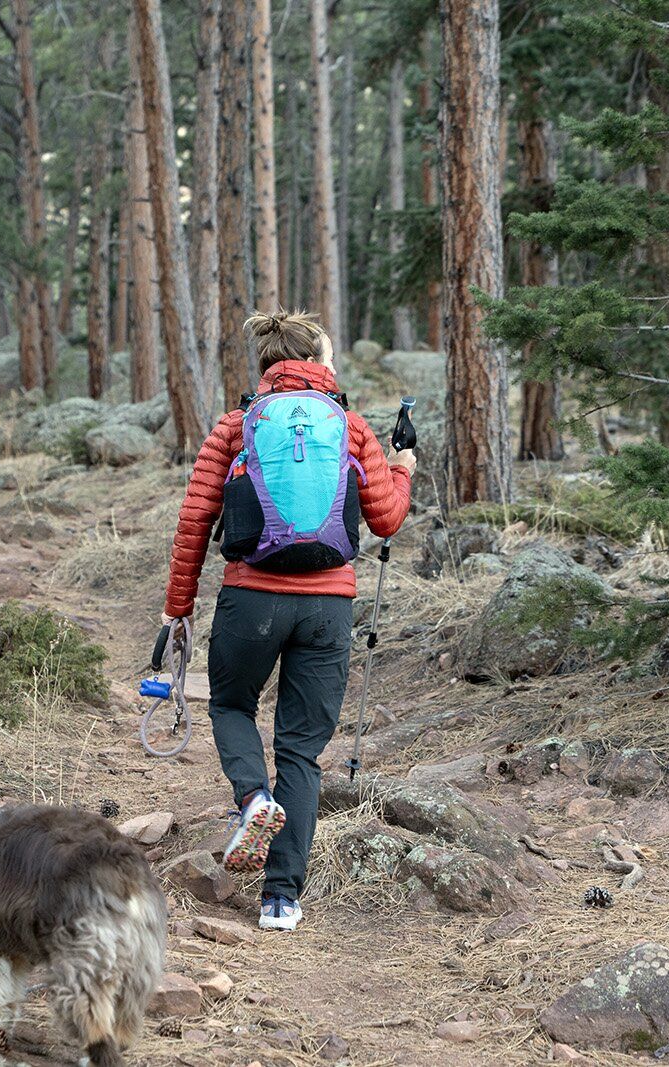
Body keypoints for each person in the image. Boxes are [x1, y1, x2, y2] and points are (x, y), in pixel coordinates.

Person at [161, 310, 414, 931]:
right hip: (329, 606)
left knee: (230, 706)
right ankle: (282, 899)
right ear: (319, 363)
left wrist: (177, 611)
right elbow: (386, 521)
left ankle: (252, 800)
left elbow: (194, 523)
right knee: (301, 750)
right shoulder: (351, 427)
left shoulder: (236, 426)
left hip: (251, 600)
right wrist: (404, 467)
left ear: (269, 366)